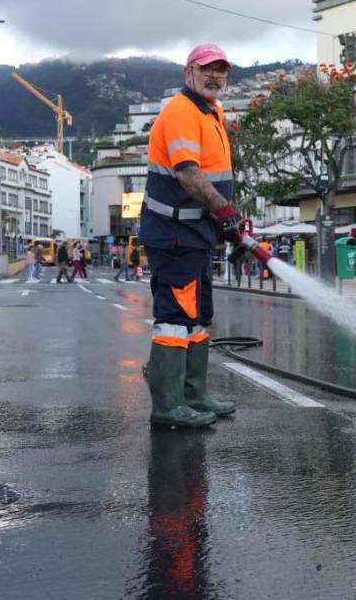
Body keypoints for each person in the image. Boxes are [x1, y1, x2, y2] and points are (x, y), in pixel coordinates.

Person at [138, 43, 243, 428]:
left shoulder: (212, 111)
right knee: (174, 318)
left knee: (199, 318)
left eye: (221, 71)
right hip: (174, 234)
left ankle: (194, 395)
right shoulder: (181, 112)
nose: (215, 76)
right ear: (188, 73)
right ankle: (167, 405)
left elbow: (214, 174)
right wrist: (226, 212)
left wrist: (224, 221)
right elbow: (188, 172)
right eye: (207, 69)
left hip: (197, 232)